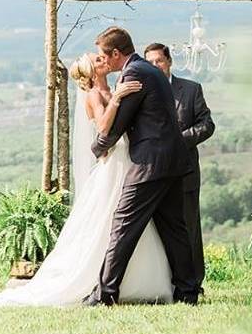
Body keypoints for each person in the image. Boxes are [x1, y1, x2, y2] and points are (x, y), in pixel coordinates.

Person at [0, 51, 174, 306]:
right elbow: (103, 127)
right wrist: (118, 98)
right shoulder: (93, 95)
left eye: (102, 57)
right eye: (98, 61)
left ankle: (139, 282)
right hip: (113, 163)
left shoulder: (114, 86)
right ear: (91, 73)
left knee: (132, 222)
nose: (104, 61)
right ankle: (100, 281)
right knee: (111, 222)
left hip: (131, 162)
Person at [83, 27, 199, 306]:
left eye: (104, 56)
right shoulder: (151, 70)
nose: (103, 62)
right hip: (172, 161)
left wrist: (98, 148)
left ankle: (105, 294)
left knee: (123, 225)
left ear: (115, 54)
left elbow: (120, 121)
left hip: (150, 163)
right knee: (174, 228)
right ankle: (187, 291)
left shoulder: (134, 73)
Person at [144, 43, 215, 291]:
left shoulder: (191, 89)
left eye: (159, 61)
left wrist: (179, 140)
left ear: (169, 61)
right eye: (150, 63)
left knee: (188, 229)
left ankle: (194, 283)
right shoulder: (142, 92)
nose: (155, 66)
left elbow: (207, 125)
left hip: (185, 173)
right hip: (153, 175)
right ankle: (165, 283)